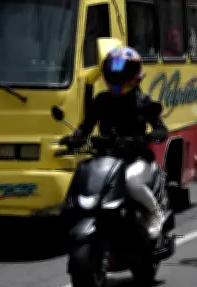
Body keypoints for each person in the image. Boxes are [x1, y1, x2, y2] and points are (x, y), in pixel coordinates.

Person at [68, 46, 169, 239]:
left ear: (135, 75)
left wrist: (149, 137)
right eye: (113, 72)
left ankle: (156, 215)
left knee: (131, 182)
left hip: (137, 159)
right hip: (107, 159)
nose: (118, 76)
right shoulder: (101, 100)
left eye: (124, 72)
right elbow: (85, 127)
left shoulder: (143, 102)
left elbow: (161, 128)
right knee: (85, 178)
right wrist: (74, 138)